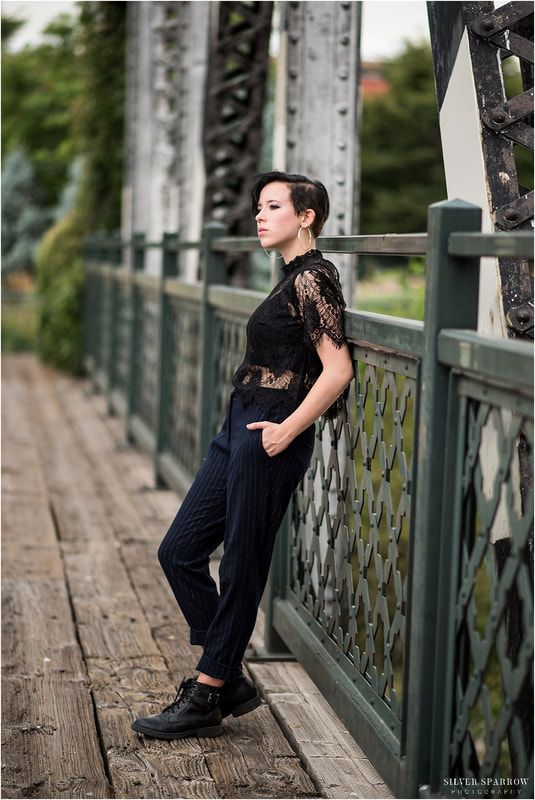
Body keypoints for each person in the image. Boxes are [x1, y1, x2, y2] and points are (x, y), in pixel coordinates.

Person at [132, 171, 354, 740]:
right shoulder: (287, 280)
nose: (259, 215)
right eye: (258, 206)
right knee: (179, 550)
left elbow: (338, 370)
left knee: (241, 562)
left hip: (270, 430)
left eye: (273, 206)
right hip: (240, 424)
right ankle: (227, 678)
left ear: (306, 217)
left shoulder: (314, 279)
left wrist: (286, 431)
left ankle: (207, 692)